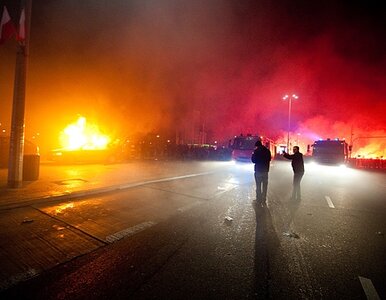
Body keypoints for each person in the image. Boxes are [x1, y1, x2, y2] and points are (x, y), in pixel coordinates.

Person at [251, 140, 272, 206]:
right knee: (265, 186)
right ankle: (264, 199)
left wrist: (253, 154)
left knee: (258, 185)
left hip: (258, 170)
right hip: (265, 171)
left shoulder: (256, 151)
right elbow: (269, 159)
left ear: (257, 145)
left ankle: (258, 199)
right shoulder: (267, 150)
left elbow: (253, 160)